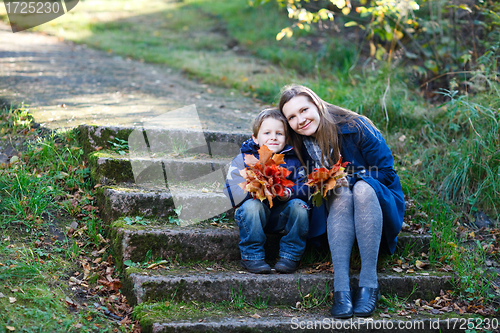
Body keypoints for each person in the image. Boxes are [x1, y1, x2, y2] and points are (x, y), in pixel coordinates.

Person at [279, 85, 404, 318]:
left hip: (377, 200)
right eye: (292, 117)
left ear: (317, 104)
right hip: (336, 209)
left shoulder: (357, 126)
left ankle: (369, 283)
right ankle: (341, 289)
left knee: (361, 189)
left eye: (304, 110)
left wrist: (352, 178)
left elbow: (387, 173)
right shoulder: (297, 143)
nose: (301, 120)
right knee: (341, 192)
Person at [223, 108, 310, 274]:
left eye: (279, 133)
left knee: (299, 206)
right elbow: (230, 190)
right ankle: (252, 255)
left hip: (280, 215)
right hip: (253, 214)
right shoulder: (244, 159)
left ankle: (290, 255)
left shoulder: (294, 161)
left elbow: (306, 188)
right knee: (252, 206)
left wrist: (288, 193)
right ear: (255, 138)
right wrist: (254, 191)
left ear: (287, 138)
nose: (273, 137)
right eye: (267, 132)